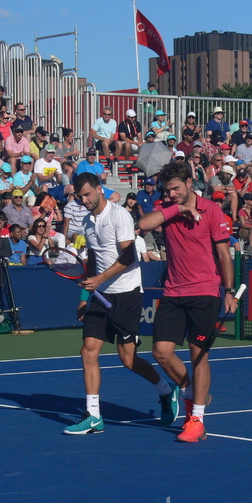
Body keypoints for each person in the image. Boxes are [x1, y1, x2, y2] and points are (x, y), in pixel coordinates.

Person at [61, 173, 179, 434]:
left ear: (100, 190)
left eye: (88, 194)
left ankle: (166, 389)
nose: (84, 200)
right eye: (80, 196)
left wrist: (100, 279)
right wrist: (84, 297)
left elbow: (127, 256)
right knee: (88, 350)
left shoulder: (119, 216)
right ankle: (93, 416)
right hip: (100, 295)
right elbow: (93, 259)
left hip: (126, 294)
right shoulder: (87, 221)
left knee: (127, 359)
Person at [138, 161, 238, 442]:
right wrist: (177, 208)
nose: (171, 194)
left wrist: (228, 291)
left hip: (205, 292)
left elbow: (223, 255)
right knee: (161, 352)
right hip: (173, 292)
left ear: (190, 182)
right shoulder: (167, 207)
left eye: (176, 189)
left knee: (199, 355)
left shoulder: (212, 210)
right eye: (167, 190)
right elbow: (142, 225)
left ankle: (197, 419)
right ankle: (192, 392)